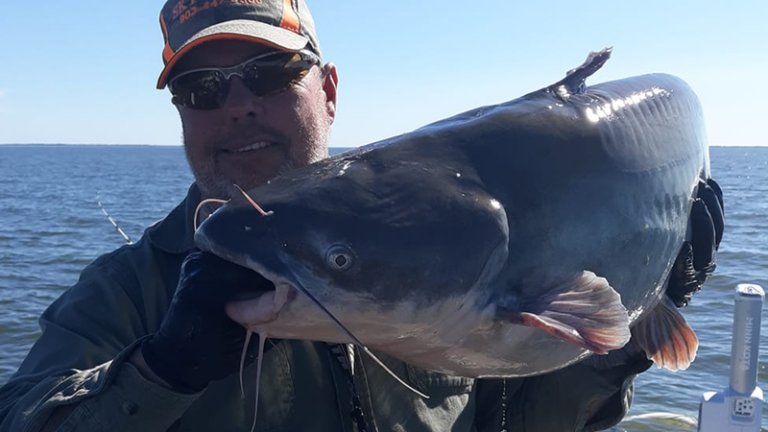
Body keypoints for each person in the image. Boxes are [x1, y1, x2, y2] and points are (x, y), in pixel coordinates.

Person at [0, 1, 725, 431]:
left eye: (271, 73)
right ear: (181, 115)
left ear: (331, 89)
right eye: (201, 88)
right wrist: (159, 372)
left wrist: (634, 328)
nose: (240, 105)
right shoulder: (125, 291)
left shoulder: (445, 236)